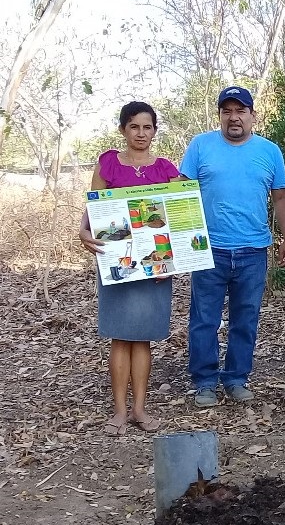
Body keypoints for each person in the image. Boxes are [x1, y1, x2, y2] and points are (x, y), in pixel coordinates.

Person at [180, 87, 285, 407]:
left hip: (253, 251)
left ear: (252, 115)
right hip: (209, 249)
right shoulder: (200, 146)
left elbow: (282, 197)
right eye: (227, 111)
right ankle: (204, 381)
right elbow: (181, 193)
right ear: (219, 115)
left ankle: (235, 378)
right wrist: (180, 242)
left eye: (240, 110)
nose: (234, 117)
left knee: (245, 318)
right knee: (204, 319)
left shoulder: (269, 151)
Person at [80, 102, 180, 435]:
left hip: (154, 264)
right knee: (120, 338)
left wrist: (176, 257)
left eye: (147, 127)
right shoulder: (108, 162)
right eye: (134, 126)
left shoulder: (167, 170)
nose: (141, 133)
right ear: (123, 129)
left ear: (154, 131)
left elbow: (180, 217)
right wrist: (83, 231)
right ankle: (119, 412)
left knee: (143, 339)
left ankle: (140, 409)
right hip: (117, 260)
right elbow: (93, 204)